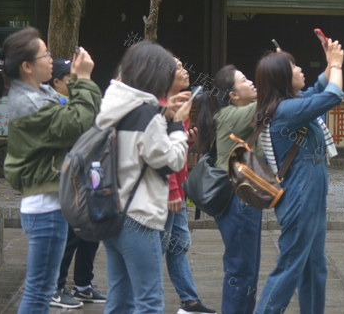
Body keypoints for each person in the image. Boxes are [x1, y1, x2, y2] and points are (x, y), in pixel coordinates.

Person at [0, 29, 101, 314]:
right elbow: (79, 123)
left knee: (40, 287)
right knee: (40, 291)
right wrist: (83, 79)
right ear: (27, 66)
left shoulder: (39, 93)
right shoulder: (30, 103)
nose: (51, 60)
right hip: (45, 208)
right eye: (46, 55)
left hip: (48, 203)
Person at [95, 42, 191, 314]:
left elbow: (135, 149)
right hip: (138, 215)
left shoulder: (114, 104)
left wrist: (163, 114)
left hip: (112, 209)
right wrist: (175, 125)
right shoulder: (146, 115)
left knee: (119, 297)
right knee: (149, 301)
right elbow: (170, 161)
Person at [253, 32, 344, 314]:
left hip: (310, 195)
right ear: (282, 79)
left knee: (314, 266)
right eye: (293, 67)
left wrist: (330, 61)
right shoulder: (286, 111)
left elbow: (318, 88)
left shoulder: (290, 104)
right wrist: (337, 66)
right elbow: (332, 95)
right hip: (301, 198)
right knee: (291, 266)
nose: (300, 69)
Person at [191, 64, 262, 314]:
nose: (251, 82)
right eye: (244, 80)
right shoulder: (233, 115)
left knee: (246, 266)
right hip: (238, 199)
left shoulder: (231, 113)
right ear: (232, 94)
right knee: (241, 267)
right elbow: (273, 103)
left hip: (243, 197)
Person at [49, 58, 106, 308]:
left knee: (91, 233)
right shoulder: (53, 106)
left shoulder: (82, 103)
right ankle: (56, 287)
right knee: (69, 235)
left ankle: (83, 284)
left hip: (89, 175)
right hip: (66, 180)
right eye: (73, 79)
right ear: (57, 82)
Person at [160, 57, 215, 314]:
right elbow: (160, 156)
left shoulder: (179, 107)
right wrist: (172, 190)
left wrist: (188, 142)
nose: (185, 71)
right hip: (166, 194)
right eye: (179, 68)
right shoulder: (161, 109)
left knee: (179, 244)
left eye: (184, 65)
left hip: (178, 191)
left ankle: (189, 301)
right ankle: (146, 301)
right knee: (159, 246)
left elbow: (175, 152)